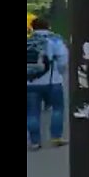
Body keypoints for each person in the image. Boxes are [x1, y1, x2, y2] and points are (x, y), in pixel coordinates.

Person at [26, 17, 69, 150]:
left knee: (32, 112)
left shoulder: (29, 41)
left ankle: (35, 141)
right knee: (57, 109)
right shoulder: (55, 39)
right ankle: (56, 137)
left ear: (33, 27)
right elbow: (62, 58)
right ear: (48, 26)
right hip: (52, 80)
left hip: (30, 82)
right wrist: (59, 71)